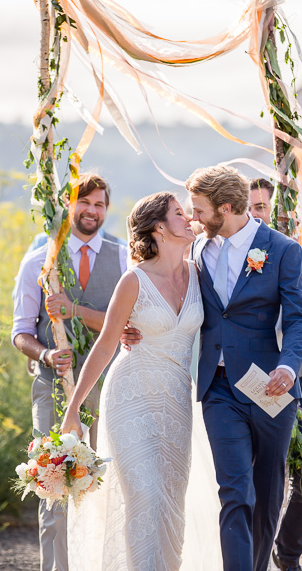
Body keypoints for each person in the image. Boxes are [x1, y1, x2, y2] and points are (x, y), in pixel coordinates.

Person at [124, 167, 302, 571]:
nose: (192, 217)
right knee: (235, 491)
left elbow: (300, 320)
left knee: (268, 492)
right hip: (218, 389)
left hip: (271, 388)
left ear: (225, 208)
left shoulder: (282, 250)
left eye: (199, 210)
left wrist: (289, 367)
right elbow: (165, 290)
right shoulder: (196, 251)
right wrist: (134, 324)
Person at [60, 191, 222, 570]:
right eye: (181, 213)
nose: (189, 219)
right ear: (160, 228)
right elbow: (103, 347)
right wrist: (74, 409)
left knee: (171, 503)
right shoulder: (134, 281)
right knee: (144, 495)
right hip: (130, 398)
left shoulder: (201, 274)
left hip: (177, 401)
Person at [10, 172, 127, 571]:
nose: (92, 211)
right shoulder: (38, 262)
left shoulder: (124, 257)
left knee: (104, 488)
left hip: (109, 387)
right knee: (54, 486)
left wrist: (74, 310)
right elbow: (20, 332)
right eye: (84, 202)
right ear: (67, 205)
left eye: (99, 205)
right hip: (51, 388)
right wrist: (45, 356)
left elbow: (123, 326)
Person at [249, 178, 302, 571]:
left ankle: (290, 553)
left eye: (263, 207)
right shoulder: (236, 267)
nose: (255, 214)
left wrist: (288, 351)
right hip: (249, 386)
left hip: (300, 381)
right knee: (260, 479)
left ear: (280, 212)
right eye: (250, 207)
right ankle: (254, 556)